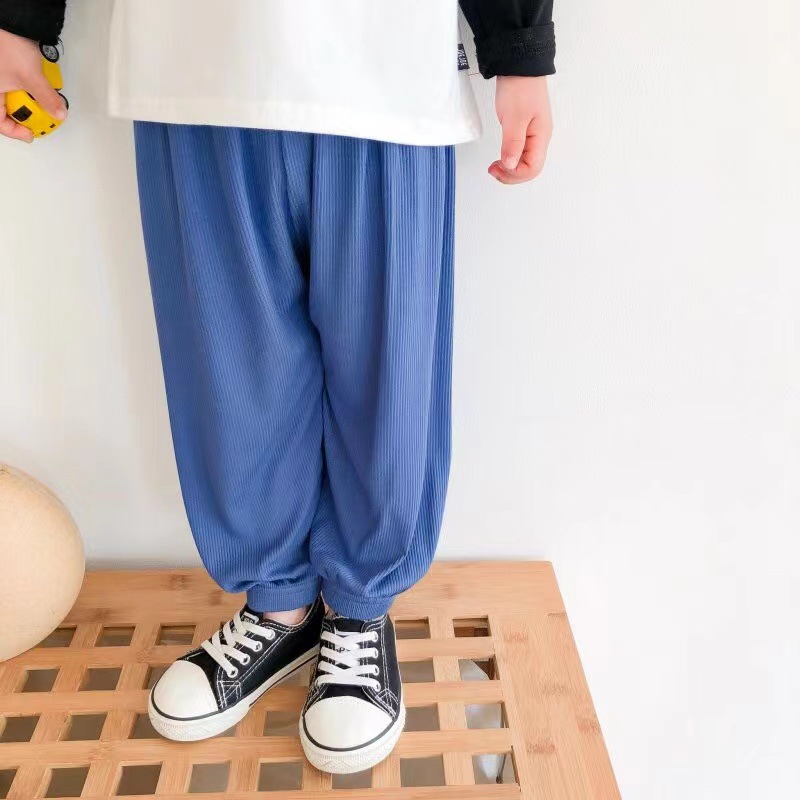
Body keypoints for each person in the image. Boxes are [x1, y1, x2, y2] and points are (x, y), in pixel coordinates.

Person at [0, 0, 555, 774]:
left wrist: (519, 46)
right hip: (190, 55)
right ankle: (279, 607)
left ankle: (358, 612)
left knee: (386, 373)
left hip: (384, 60)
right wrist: (19, 18)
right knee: (229, 372)